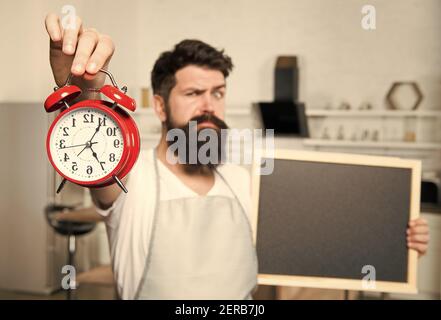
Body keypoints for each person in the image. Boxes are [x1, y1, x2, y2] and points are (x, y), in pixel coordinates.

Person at [45, 13, 430, 300]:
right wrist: (85, 94)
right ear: (160, 106)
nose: (209, 106)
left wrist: (394, 241)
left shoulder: (247, 181)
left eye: (218, 92)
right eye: (194, 94)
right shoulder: (130, 178)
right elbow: (94, 159)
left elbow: (319, 242)